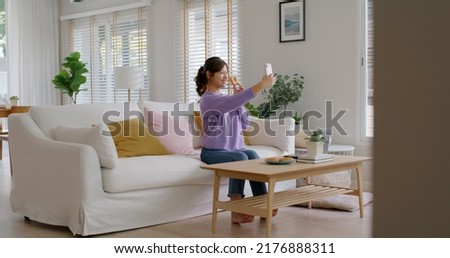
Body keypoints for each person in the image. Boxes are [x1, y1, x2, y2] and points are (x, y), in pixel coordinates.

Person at [195, 56, 276, 224]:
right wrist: (260, 86)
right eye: (221, 73)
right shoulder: (209, 99)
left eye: (227, 73)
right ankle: (236, 210)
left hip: (234, 150)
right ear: (209, 74)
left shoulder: (228, 100)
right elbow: (230, 102)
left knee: (252, 154)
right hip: (213, 153)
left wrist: (240, 99)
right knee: (241, 159)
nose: (226, 76)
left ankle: (262, 204)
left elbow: (245, 123)